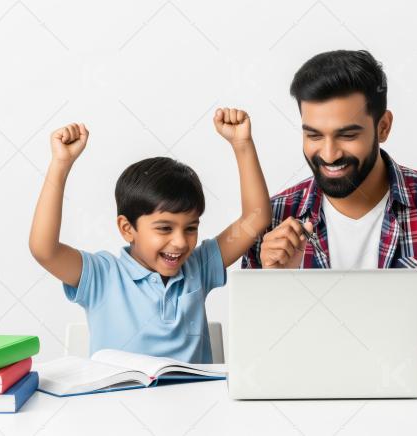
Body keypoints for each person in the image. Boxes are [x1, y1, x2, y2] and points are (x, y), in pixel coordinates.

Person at [242, 50, 417, 361]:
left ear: (383, 127)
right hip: (308, 407)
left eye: (347, 135)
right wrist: (274, 283)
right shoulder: (272, 217)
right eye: (314, 135)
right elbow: (252, 353)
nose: (329, 153)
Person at [29, 108, 270, 363]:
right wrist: (60, 164)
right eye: (164, 228)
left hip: (192, 401)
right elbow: (44, 249)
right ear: (127, 228)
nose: (179, 242)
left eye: (190, 228)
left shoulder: (198, 267)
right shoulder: (103, 276)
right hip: (119, 400)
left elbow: (256, 219)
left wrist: (242, 144)